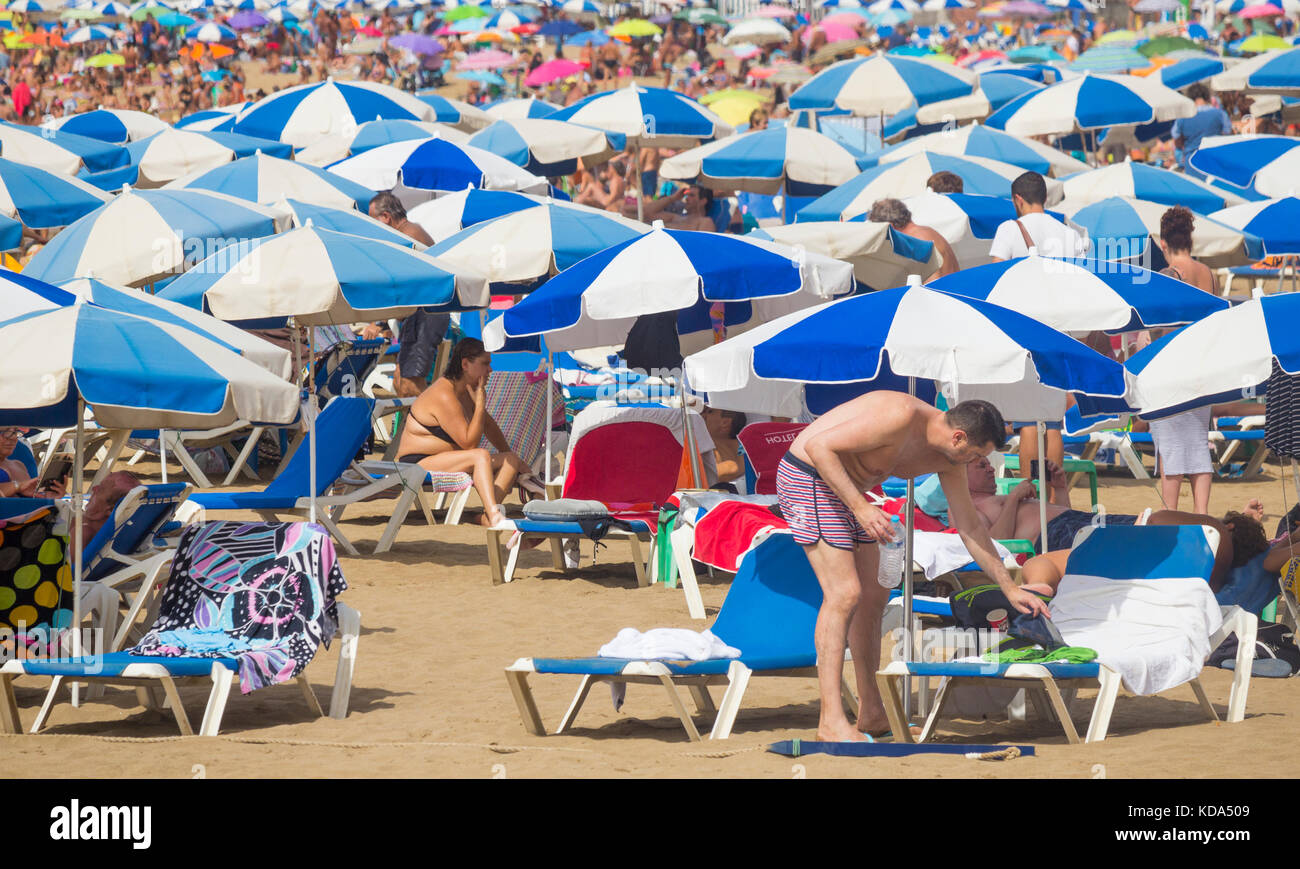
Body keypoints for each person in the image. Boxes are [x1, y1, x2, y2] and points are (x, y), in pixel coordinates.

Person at [776, 393, 1046, 742]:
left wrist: (1010, 588)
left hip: (849, 489)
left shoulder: (950, 459)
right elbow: (818, 446)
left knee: (874, 596)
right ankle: (830, 720)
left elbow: (970, 527)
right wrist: (861, 508)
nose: (978, 463)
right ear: (959, 437)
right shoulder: (899, 417)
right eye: (977, 455)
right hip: (808, 475)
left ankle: (872, 713)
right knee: (844, 593)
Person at [394, 338, 542, 527]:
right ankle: (494, 514)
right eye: (485, 364)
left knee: (510, 460)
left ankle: (488, 514)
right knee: (480, 456)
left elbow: (488, 426)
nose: (490, 370)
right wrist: (480, 404)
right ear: (465, 364)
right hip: (418, 463)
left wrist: (513, 457)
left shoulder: (466, 390)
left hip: (447, 458)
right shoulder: (444, 394)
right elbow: (469, 444)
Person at [369, 191, 449, 400]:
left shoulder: (406, 236)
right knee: (399, 381)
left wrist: (380, 319)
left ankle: (433, 425)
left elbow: (399, 282)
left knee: (410, 385)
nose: (372, 228)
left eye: (373, 220)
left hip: (426, 316)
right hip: (423, 315)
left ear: (386, 217)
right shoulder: (411, 231)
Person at [988, 170, 1088, 260]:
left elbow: (997, 271)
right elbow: (1083, 273)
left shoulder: (1009, 229)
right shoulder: (1071, 234)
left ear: (1018, 200)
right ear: (1045, 199)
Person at [867, 198, 960, 278]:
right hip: (953, 291)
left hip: (941, 295)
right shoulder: (927, 231)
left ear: (890, 226)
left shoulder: (917, 239)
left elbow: (932, 280)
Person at [1172, 84, 1231, 176]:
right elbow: (1227, 133)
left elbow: (1177, 141)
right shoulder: (1220, 114)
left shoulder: (1183, 117)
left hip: (1191, 160)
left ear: (1190, 98)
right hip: (1214, 159)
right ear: (1207, 96)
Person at [0, 427, 63, 499]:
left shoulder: (18, 465)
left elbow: (30, 501)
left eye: (15, 432)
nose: (13, 437)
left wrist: (47, 496)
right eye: (4, 432)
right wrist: (17, 486)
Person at [702, 406, 747, 489]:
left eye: (710, 411)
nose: (702, 415)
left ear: (725, 422)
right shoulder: (747, 446)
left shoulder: (746, 447)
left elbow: (733, 468)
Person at [640, 183, 716, 231]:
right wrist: (673, 198)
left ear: (703, 201)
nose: (686, 198)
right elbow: (646, 213)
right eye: (687, 195)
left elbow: (702, 246)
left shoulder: (705, 221)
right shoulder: (674, 217)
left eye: (691, 195)